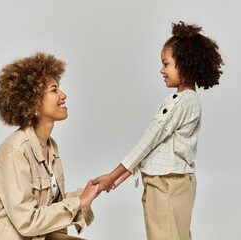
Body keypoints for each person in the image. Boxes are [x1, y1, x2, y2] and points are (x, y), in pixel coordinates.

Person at [91, 21, 224, 240]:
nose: (162, 70)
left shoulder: (179, 102)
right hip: (174, 183)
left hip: (166, 186)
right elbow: (155, 146)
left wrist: (111, 176)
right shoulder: (191, 101)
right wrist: (121, 177)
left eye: (166, 64)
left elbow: (148, 140)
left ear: (184, 64)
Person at [0, 53, 99, 240]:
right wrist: (79, 202)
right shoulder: (17, 150)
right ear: (33, 101)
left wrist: (86, 194)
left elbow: (48, 207)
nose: (63, 95)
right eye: (54, 90)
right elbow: (27, 221)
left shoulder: (51, 147)